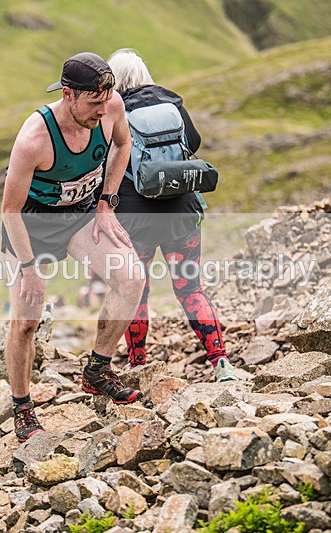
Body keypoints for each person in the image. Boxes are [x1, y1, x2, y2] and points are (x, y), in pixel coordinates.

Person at [2, 52, 146, 442]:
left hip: (82, 216)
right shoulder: (34, 138)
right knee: (27, 320)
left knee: (132, 277)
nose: (103, 110)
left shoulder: (110, 104)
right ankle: (23, 407)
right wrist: (29, 267)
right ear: (68, 95)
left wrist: (106, 202)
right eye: (93, 103)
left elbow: (123, 144)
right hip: (31, 225)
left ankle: (97, 370)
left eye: (106, 101)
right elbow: (9, 210)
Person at [107, 48, 237, 382]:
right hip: (181, 214)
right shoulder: (172, 105)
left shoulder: (113, 112)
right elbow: (193, 141)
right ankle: (220, 361)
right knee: (191, 289)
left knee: (137, 292)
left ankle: (137, 364)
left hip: (135, 221)